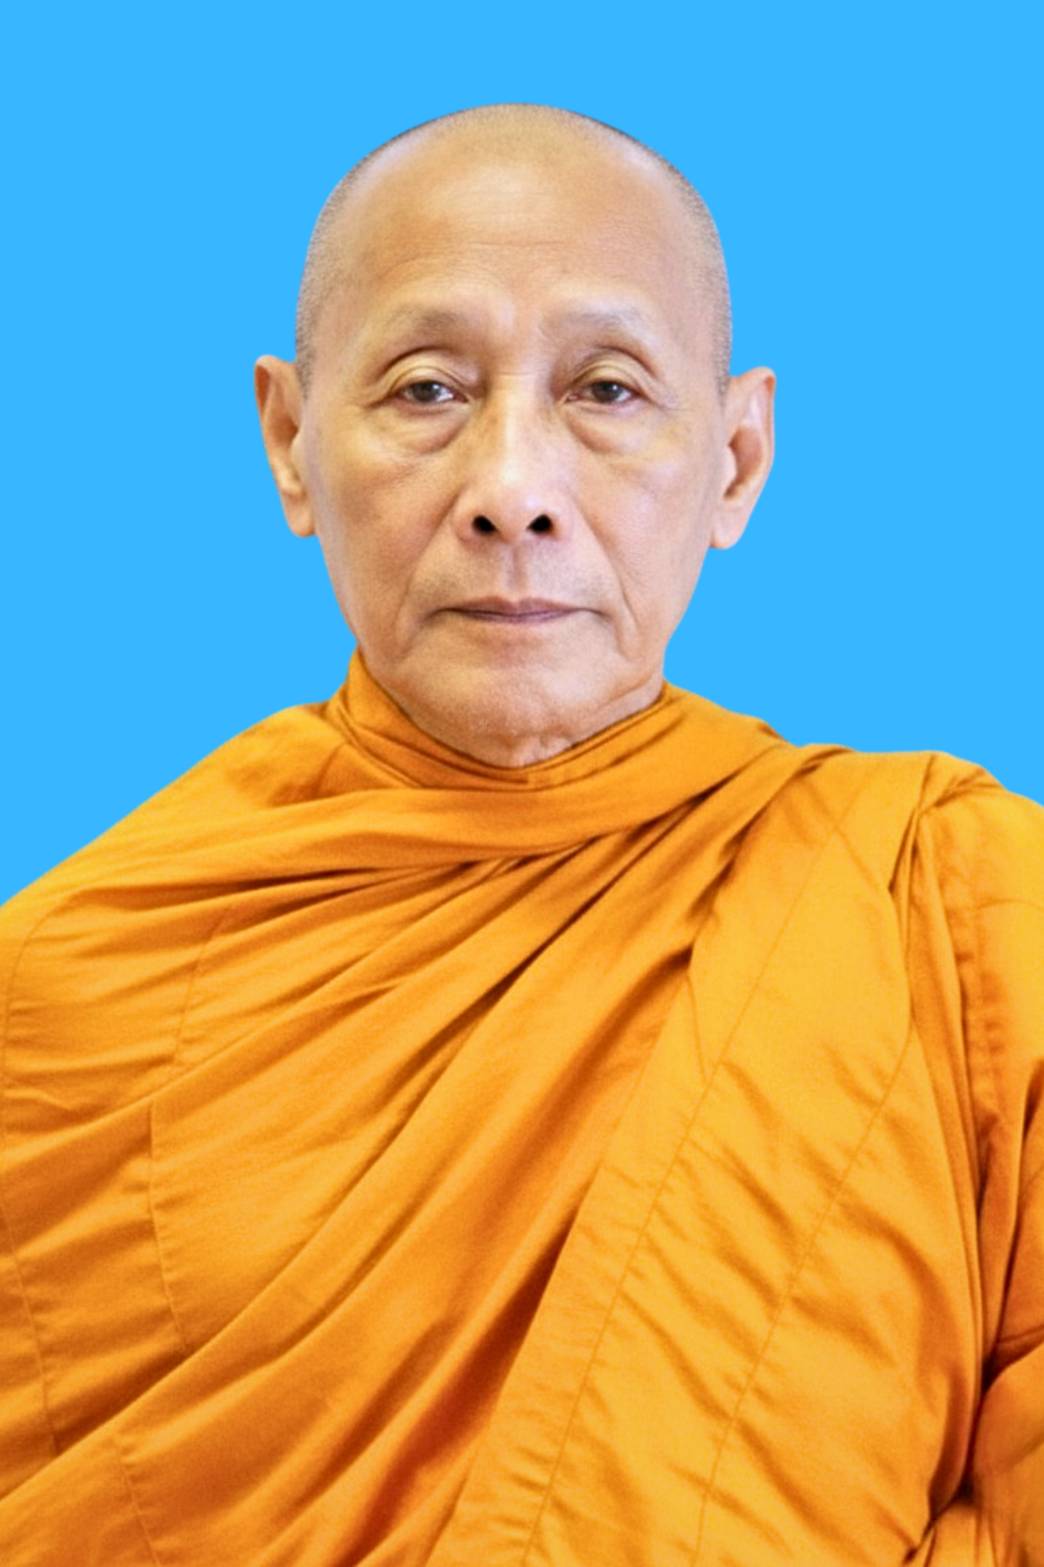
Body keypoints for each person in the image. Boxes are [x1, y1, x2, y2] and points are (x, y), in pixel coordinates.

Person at [0, 103, 1040, 1567]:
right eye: (426, 390)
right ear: (290, 443)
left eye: (608, 391)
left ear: (737, 457)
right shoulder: (63, 996)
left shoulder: (954, 908)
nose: (512, 495)